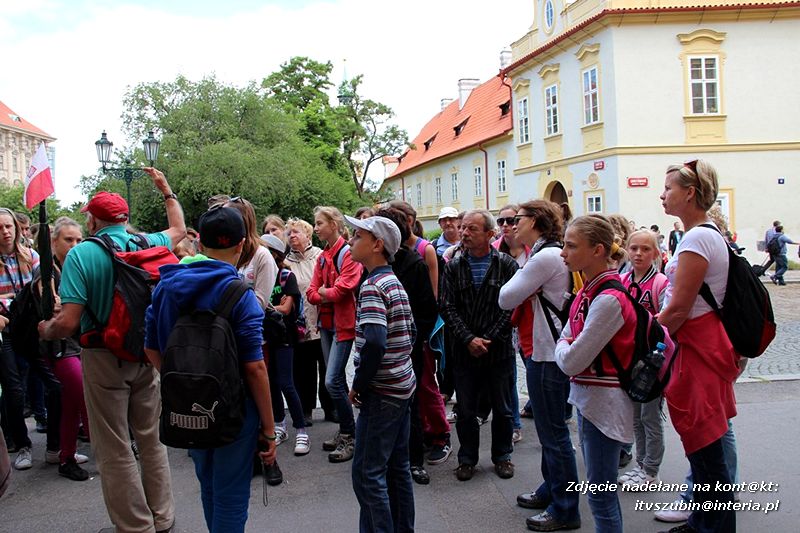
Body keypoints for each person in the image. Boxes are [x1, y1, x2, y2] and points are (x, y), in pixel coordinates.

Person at [38, 168, 183, 533]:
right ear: (124, 218)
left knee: (115, 445)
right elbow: (179, 230)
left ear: (92, 219)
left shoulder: (82, 254)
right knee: (150, 438)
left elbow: (68, 323)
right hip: (144, 353)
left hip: (102, 355)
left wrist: (46, 329)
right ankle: (163, 517)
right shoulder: (145, 243)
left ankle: (135, 526)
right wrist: (165, 190)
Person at [144, 206, 277, 533]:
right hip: (235, 410)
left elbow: (150, 347)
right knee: (231, 495)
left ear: (198, 241)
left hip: (186, 407)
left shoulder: (166, 286)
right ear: (242, 243)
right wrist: (270, 429)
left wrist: (184, 383)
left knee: (208, 484)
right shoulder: (241, 296)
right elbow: (255, 367)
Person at [658, 159, 738, 533]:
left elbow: (678, 308)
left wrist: (645, 337)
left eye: (668, 188)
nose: (663, 194)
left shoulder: (698, 237)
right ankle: (703, 520)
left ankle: (714, 526)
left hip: (697, 345)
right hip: (700, 342)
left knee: (706, 444)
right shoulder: (702, 235)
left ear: (689, 193)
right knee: (705, 441)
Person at [555, 214, 642, 533]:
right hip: (589, 400)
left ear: (598, 250)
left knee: (601, 495)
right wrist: (566, 344)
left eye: (571, 245)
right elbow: (566, 340)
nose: (563, 251)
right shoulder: (587, 291)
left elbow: (569, 360)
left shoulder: (607, 299)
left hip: (605, 404)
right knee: (598, 492)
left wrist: (564, 346)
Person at [499, 200, 580, 532]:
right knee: (550, 432)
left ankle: (565, 508)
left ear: (536, 221)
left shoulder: (544, 257)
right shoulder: (548, 252)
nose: (513, 224)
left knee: (554, 434)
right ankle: (552, 490)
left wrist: (522, 280)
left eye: (518, 219)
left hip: (546, 354)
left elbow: (505, 297)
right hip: (544, 350)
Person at [345, 214, 416, 533]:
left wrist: (359, 383)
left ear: (377, 245)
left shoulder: (372, 286)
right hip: (402, 387)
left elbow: (374, 340)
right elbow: (410, 333)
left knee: (367, 474)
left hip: (383, 392)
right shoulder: (393, 281)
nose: (350, 241)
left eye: (357, 236)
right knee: (397, 467)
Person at [440, 209, 519, 481]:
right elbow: (447, 307)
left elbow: (511, 308)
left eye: (472, 229)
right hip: (464, 351)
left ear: (489, 233)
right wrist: (468, 339)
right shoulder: (453, 266)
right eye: (463, 228)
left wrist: (489, 338)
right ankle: (467, 459)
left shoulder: (507, 265)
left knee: (503, 408)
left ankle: (502, 456)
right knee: (465, 410)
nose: (465, 233)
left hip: (498, 351)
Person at [375, 206, 438, 485]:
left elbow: (427, 311)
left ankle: (413, 461)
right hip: (381, 351)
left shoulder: (413, 264)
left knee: (409, 404)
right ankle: (386, 457)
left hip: (406, 349)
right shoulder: (372, 267)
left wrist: (407, 342)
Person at [307, 206, 363, 463]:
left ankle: (351, 434)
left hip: (343, 325)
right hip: (327, 324)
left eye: (319, 223)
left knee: (331, 382)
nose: (316, 228)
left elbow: (344, 289)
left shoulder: (347, 254)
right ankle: (346, 431)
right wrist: (327, 292)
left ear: (334, 223)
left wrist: (325, 293)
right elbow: (311, 291)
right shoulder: (322, 257)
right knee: (336, 379)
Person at [617, 230, 669, 489]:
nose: (638, 253)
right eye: (634, 248)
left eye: (645, 249)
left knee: (650, 417)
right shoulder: (623, 280)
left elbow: (666, 322)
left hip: (651, 363)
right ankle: (640, 464)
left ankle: (651, 470)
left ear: (656, 253)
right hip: (629, 361)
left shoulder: (659, 283)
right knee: (635, 417)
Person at [0, 207, 41, 470]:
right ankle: (22, 443)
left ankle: (58, 445)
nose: (5, 232)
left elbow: (42, 287)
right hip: (5, 331)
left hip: (30, 328)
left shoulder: (31, 256)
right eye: (0, 228)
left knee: (45, 380)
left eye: (8, 226)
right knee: (14, 390)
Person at [262, 234, 309, 455]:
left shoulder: (285, 276)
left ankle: (301, 430)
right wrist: (272, 306)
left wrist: (268, 307)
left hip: (284, 338)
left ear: (274, 254)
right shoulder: (259, 276)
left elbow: (286, 309)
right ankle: (280, 425)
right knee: (271, 383)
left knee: (286, 383)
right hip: (264, 338)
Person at [285, 217, 334, 425]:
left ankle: (330, 408)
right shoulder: (286, 262)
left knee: (326, 365)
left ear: (308, 235)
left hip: (322, 319)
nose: (292, 236)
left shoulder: (321, 257)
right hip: (300, 323)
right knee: (302, 369)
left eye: (296, 232)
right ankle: (305, 410)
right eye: (289, 233)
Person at [493, 204, 530, 445]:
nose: (506, 225)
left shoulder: (534, 251)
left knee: (533, 369)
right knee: (509, 376)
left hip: (529, 321)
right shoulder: (494, 250)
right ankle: (514, 423)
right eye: (501, 221)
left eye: (511, 220)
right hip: (504, 320)